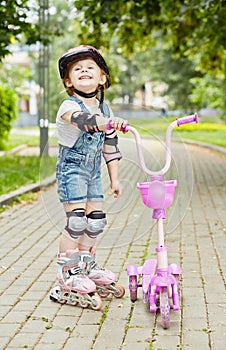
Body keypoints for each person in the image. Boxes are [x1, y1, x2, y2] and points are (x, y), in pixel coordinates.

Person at [49, 45, 127, 309]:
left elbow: (110, 148)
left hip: (92, 173)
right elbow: (83, 121)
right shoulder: (68, 105)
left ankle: (86, 266)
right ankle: (67, 273)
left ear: (102, 77)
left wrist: (115, 179)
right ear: (69, 80)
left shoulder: (107, 111)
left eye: (90, 67)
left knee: (95, 222)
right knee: (77, 222)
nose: (84, 70)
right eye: (77, 68)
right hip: (71, 171)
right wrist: (106, 123)